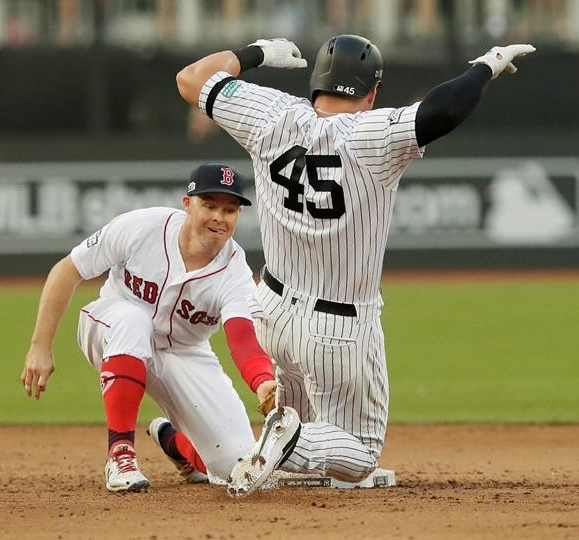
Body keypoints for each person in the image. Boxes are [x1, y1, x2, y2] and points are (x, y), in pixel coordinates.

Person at [175, 35, 535, 496]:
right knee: (361, 453)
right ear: (372, 92)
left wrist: (256, 54)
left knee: (299, 416)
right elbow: (443, 110)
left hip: (272, 311)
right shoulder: (374, 133)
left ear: (316, 84)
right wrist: (484, 66)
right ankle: (292, 443)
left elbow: (191, 79)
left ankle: (290, 445)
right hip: (338, 327)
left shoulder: (270, 114)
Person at [21, 163, 277, 492]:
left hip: (184, 353)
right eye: (209, 205)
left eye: (229, 209)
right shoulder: (143, 227)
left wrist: (263, 382)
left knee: (240, 466)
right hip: (110, 327)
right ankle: (120, 453)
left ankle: (174, 441)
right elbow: (69, 269)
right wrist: (40, 345)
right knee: (134, 319)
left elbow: (242, 338)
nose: (219, 217)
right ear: (188, 203)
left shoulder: (235, 273)